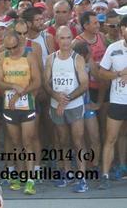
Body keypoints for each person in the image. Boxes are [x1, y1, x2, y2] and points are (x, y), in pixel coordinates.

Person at [43, 26, 89, 192]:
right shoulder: (51, 59)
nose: (66, 41)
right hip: (57, 106)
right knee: (62, 141)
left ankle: (82, 177)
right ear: (57, 39)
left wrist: (66, 100)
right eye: (62, 38)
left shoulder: (77, 59)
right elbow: (46, 83)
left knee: (78, 141)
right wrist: (56, 96)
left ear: (72, 39)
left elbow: (84, 84)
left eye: (68, 38)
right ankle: (67, 172)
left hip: (74, 106)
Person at [0, 30, 41, 195]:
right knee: (15, 143)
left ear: (20, 43)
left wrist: (21, 92)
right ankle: (18, 175)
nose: (12, 50)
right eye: (8, 47)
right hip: (10, 106)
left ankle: (30, 180)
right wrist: (14, 87)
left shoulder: (30, 56)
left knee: (27, 142)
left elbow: (37, 81)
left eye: (14, 47)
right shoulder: (1, 57)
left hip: (26, 104)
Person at [98, 15, 127, 189]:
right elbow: (102, 72)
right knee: (111, 138)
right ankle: (105, 175)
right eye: (124, 29)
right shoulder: (113, 48)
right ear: (122, 31)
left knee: (123, 136)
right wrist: (118, 74)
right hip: (117, 100)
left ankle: (122, 166)